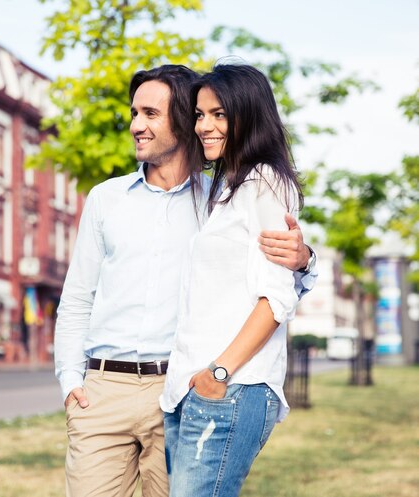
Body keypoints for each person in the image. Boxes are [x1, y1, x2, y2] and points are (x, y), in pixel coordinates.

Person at [55, 64, 316, 497]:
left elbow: (274, 280)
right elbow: (78, 296)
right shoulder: (106, 199)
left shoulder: (220, 197)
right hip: (104, 390)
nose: (137, 125)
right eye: (134, 113)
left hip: (178, 387)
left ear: (179, 118)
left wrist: (305, 258)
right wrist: (70, 381)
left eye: (150, 114)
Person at [160, 63, 305, 497]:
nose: (204, 126)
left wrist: (217, 372)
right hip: (193, 392)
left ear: (248, 114)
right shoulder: (228, 189)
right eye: (200, 115)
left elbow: (276, 299)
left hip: (230, 389)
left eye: (218, 114)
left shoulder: (267, 184)